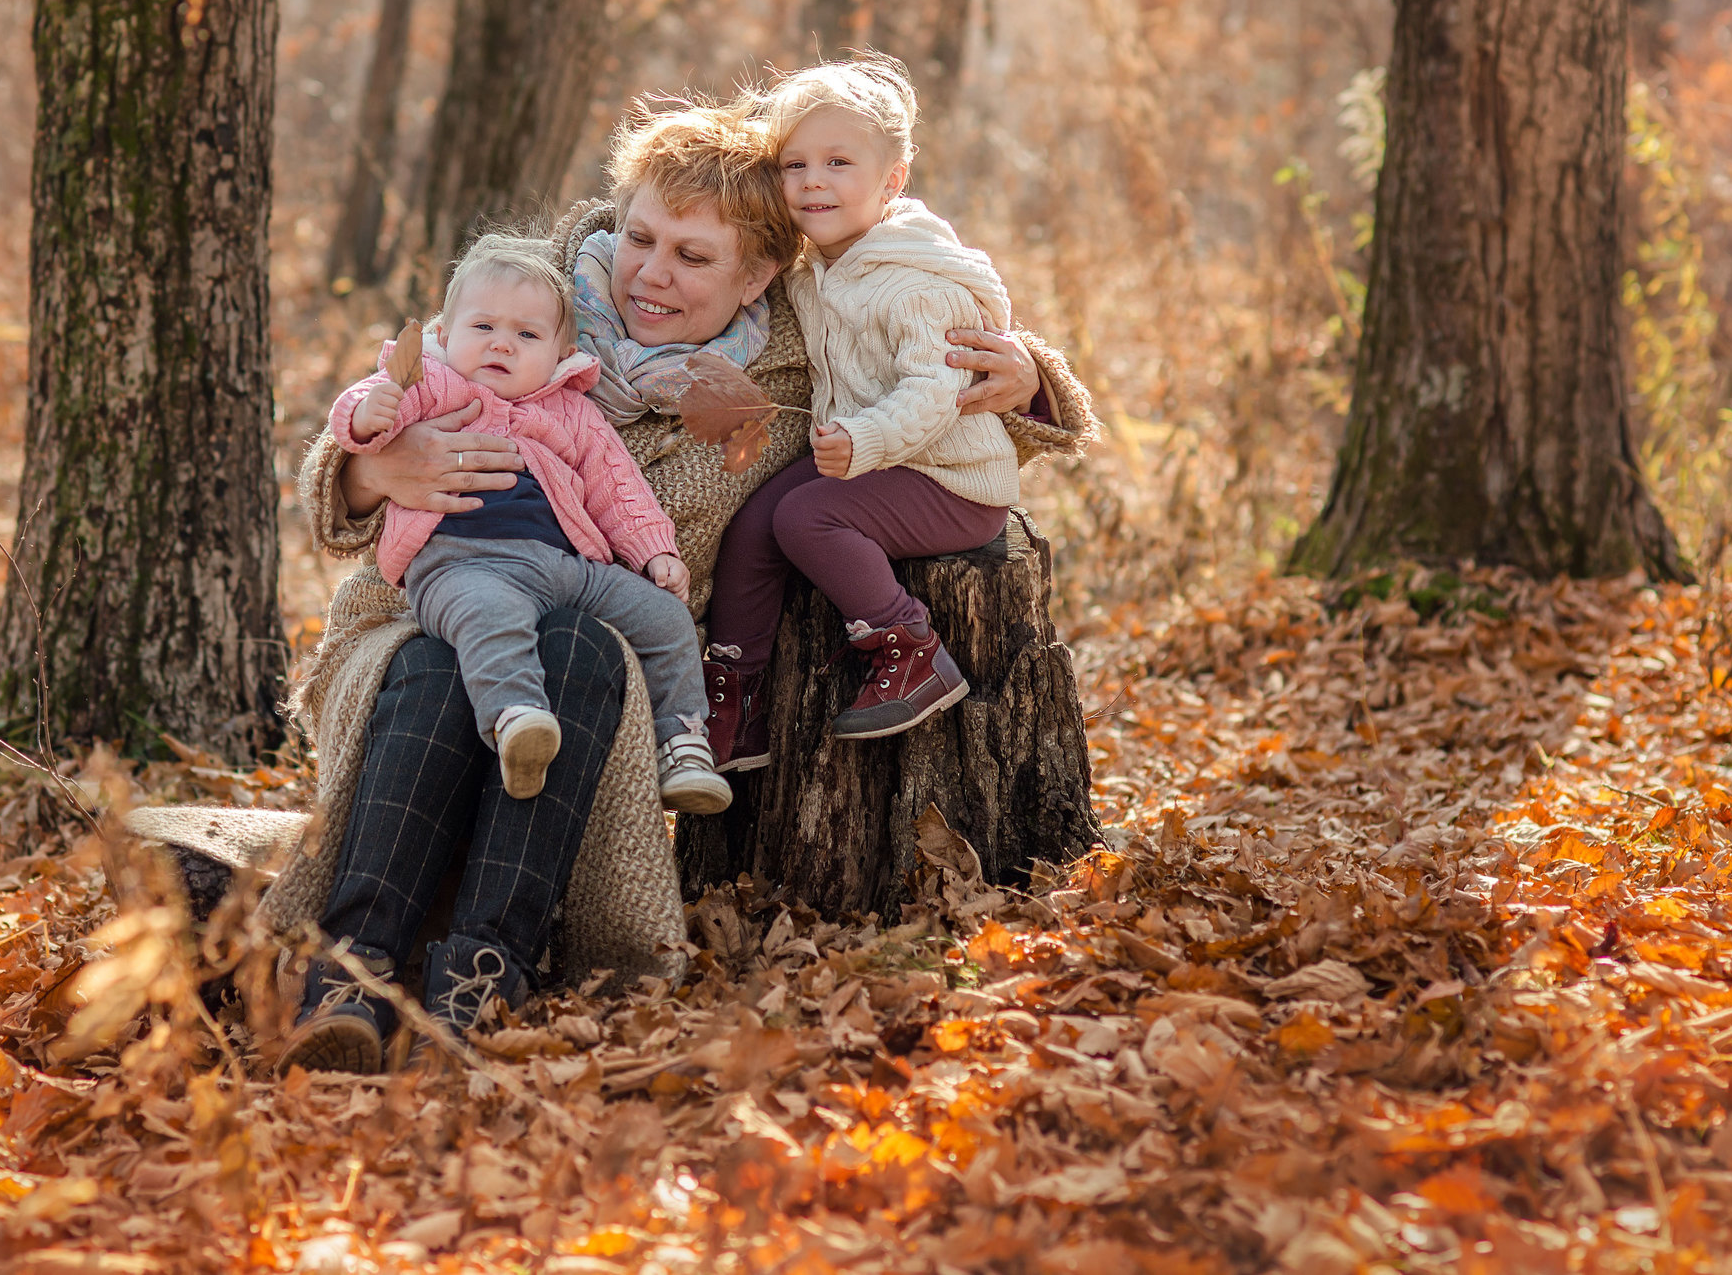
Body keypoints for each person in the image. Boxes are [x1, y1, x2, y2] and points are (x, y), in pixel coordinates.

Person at [185, 102, 1091, 1077]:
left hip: (602, 666)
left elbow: (924, 318)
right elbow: (370, 419)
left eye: (692, 258)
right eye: (642, 237)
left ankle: (478, 974)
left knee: (572, 642)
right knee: (451, 641)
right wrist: (375, 469)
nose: (651, 273)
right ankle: (347, 981)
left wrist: (1024, 371)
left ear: (757, 275)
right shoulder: (533, 286)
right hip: (417, 620)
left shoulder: (793, 373)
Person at [329, 233, 731, 815]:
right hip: (461, 564)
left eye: (527, 335)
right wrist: (368, 417)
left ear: (561, 352)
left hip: (566, 569)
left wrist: (652, 552)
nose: (502, 345)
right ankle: (517, 723)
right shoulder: (433, 383)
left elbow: (619, 487)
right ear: (444, 335)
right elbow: (368, 400)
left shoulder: (572, 410)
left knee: (665, 617)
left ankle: (682, 741)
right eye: (483, 327)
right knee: (493, 619)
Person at [702, 57, 1019, 762]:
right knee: (755, 523)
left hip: (952, 480)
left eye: (839, 161)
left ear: (892, 179)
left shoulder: (912, 281)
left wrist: (866, 435)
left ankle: (912, 649)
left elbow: (936, 392)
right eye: (795, 164)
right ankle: (735, 698)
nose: (814, 180)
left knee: (805, 516)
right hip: (878, 461)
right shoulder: (818, 265)